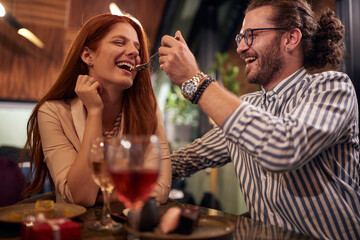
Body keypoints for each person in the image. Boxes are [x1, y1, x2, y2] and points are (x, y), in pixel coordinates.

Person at [159, 0, 359, 239]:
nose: (241, 48)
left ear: (290, 39)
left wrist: (196, 80)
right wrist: (125, 166)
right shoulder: (249, 106)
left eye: (251, 35)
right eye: (240, 38)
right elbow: (184, 160)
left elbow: (283, 147)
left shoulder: (332, 88)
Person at [21, 12, 171, 207]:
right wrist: (94, 112)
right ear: (87, 55)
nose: (135, 53)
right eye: (119, 42)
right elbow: (82, 196)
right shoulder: (52, 112)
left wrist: (100, 197)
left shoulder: (148, 108)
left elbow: (160, 190)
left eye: (137, 47)